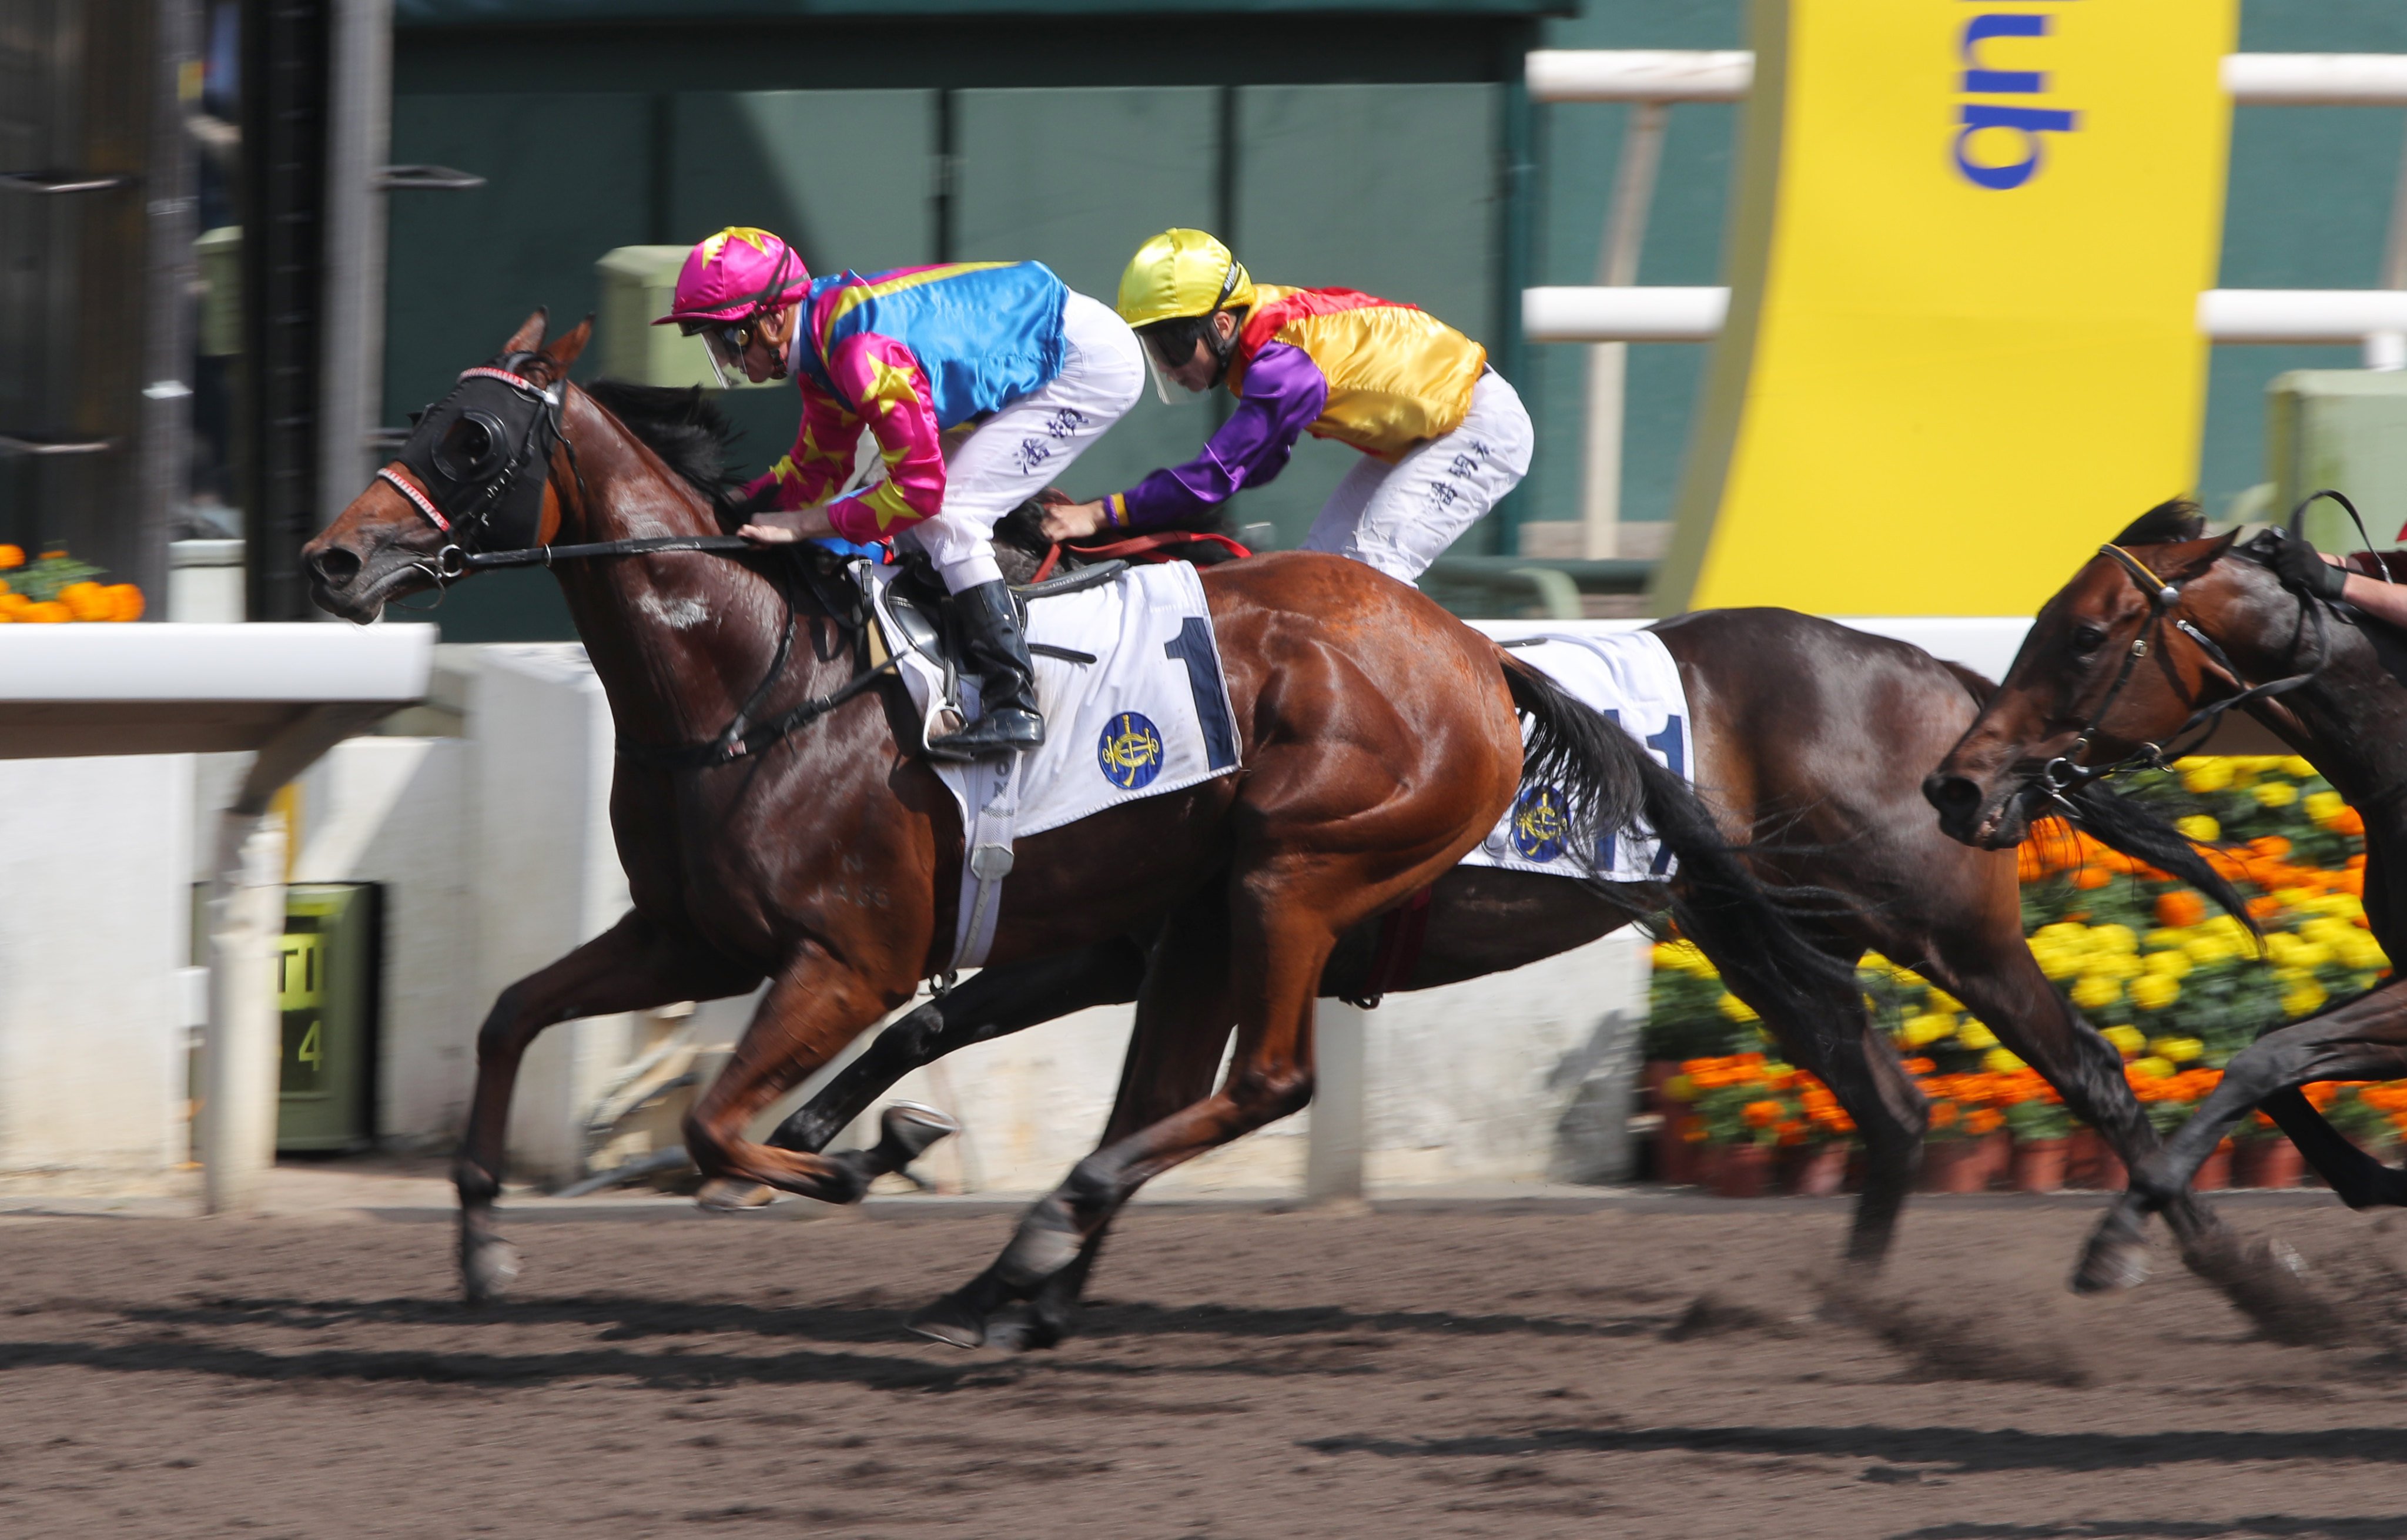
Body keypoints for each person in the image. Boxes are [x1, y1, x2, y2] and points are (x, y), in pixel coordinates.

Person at [656, 227, 1144, 759]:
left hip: (1084, 363)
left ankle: (1014, 701)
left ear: (772, 321)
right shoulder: (821, 351)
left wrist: (806, 524)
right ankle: (955, 678)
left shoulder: (859, 353)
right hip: (1041, 348)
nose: (726, 359)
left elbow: (918, 493)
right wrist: (723, 510)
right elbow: (815, 467)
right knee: (913, 528)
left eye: (728, 339)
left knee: (948, 517)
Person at [1042, 228, 1534, 584]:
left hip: (1479, 426)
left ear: (1221, 326)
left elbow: (1218, 477)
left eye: (1171, 346)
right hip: (1425, 434)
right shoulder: (1258, 337)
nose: (1167, 367)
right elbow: (1256, 465)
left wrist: (1103, 514)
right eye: (1154, 349)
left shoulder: (1283, 366)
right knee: (1317, 573)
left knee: (1374, 569)